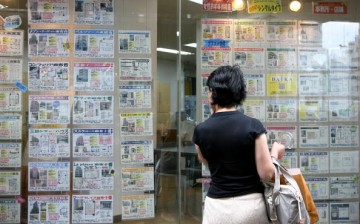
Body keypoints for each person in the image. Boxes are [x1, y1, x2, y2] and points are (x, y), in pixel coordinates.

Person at [192, 65, 285, 224]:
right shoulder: (253, 126)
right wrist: (275, 154)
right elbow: (267, 174)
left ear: (213, 92)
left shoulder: (200, 131)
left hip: (216, 207)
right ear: (238, 92)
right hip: (250, 207)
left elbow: (205, 160)